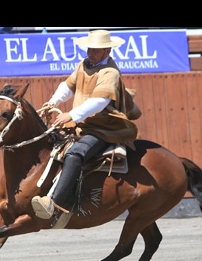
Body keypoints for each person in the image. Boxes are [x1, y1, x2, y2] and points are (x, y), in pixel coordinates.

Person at [31, 30, 140, 220]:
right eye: (89, 48)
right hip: (84, 123)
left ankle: (54, 203)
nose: (90, 53)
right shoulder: (84, 64)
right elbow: (68, 86)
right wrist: (53, 102)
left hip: (104, 128)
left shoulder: (110, 73)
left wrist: (71, 114)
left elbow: (99, 102)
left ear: (107, 51)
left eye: (95, 50)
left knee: (74, 153)